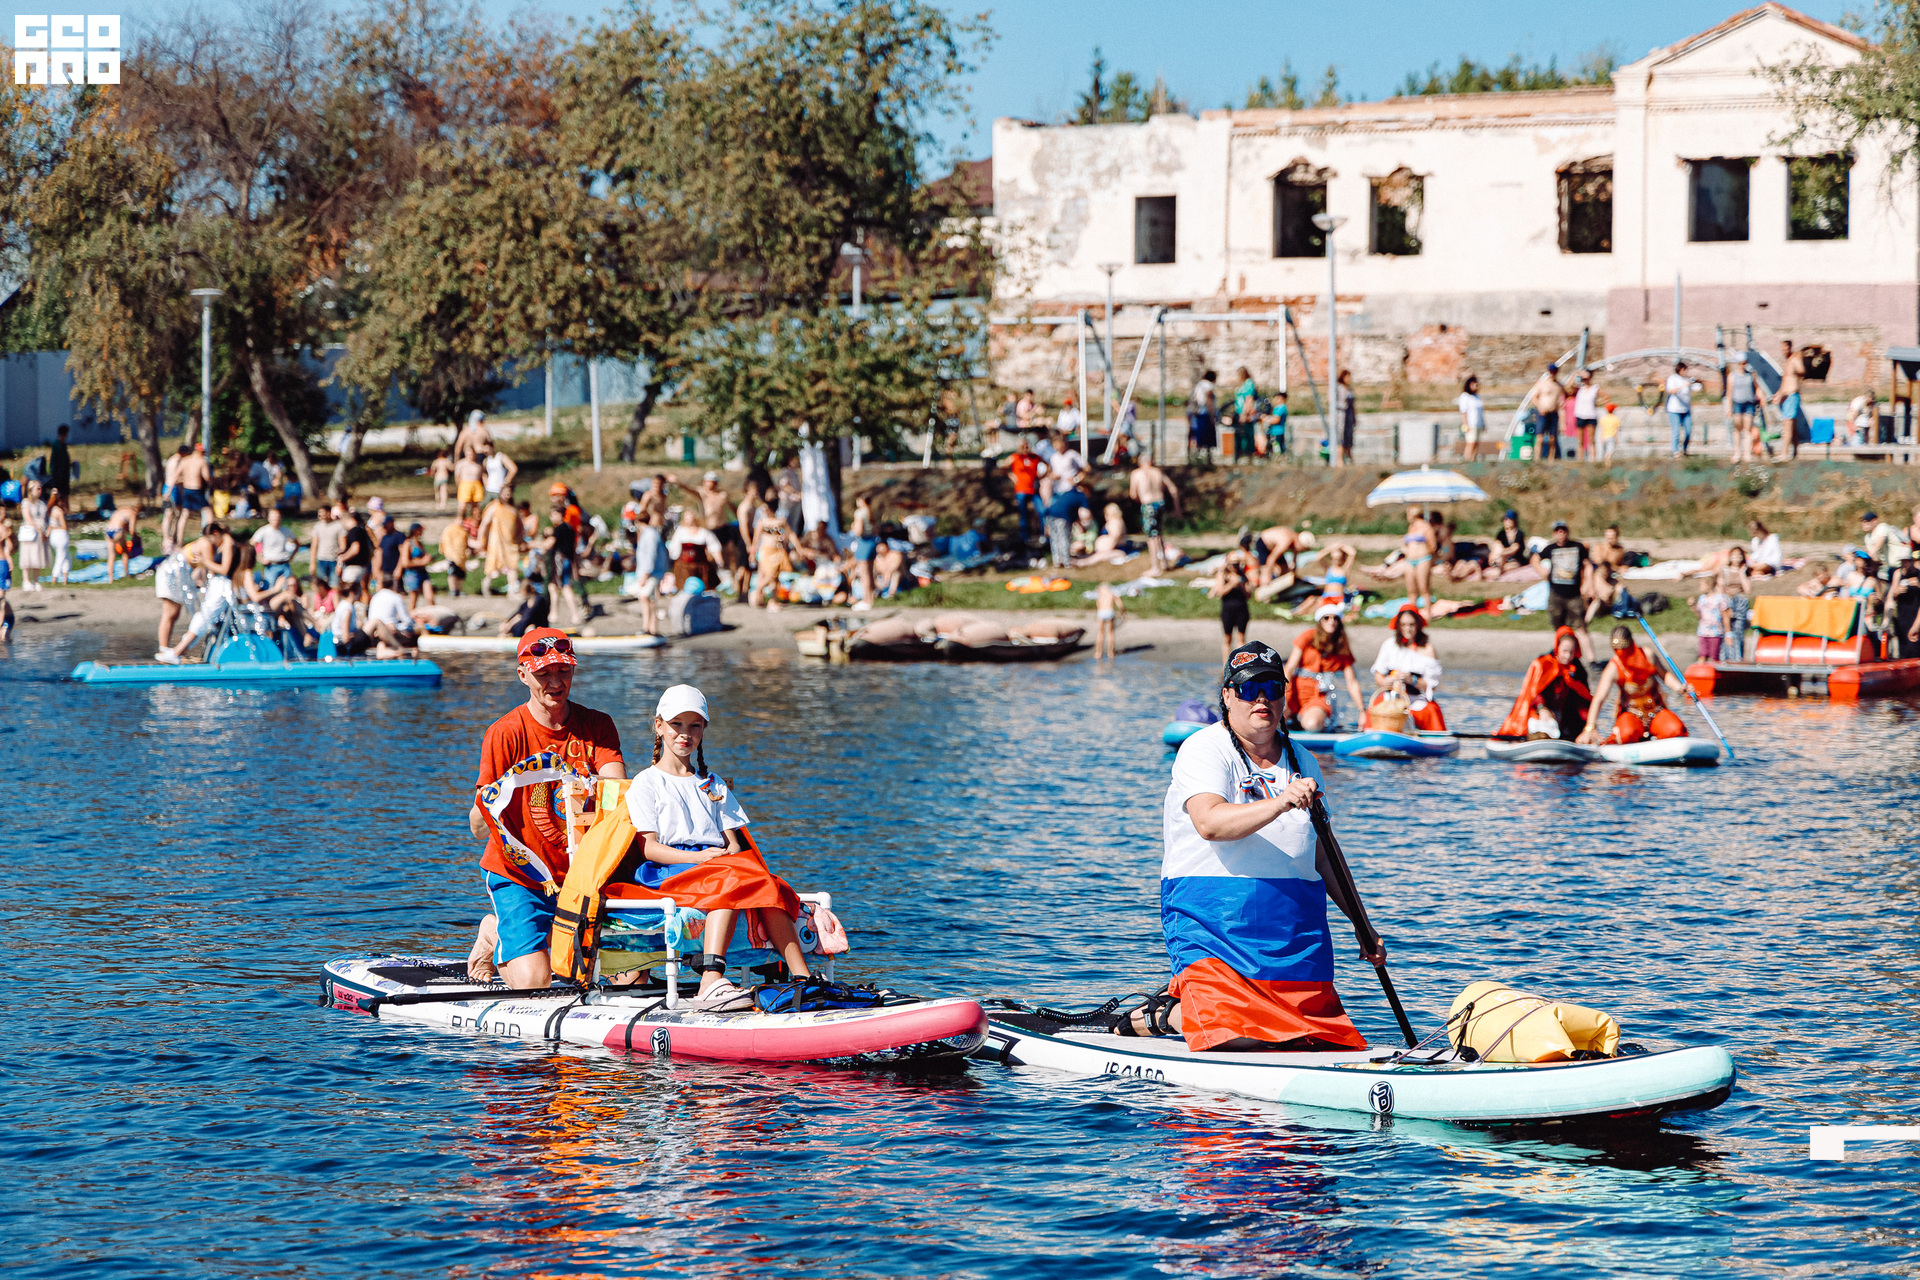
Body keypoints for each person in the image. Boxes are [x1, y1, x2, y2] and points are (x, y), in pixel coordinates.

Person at [1122, 641, 1380, 1049]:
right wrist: (1279, 803)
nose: (1261, 698)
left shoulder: (1302, 760)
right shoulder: (1204, 749)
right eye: (1247, 688)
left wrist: (1362, 925)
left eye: (1273, 688)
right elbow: (1209, 822)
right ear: (1227, 696)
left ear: (1284, 696)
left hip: (1295, 930)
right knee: (1236, 1036)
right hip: (1214, 920)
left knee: (1316, 1040)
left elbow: (1324, 854)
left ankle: (1196, 1011)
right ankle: (1167, 1014)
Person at [466, 629, 627, 988]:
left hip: (582, 874)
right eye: (543, 674)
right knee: (535, 984)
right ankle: (493, 934)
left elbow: (617, 792)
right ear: (523, 675)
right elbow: (478, 827)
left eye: (564, 672)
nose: (556, 683)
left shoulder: (597, 725)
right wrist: (502, 790)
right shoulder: (505, 732)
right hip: (520, 874)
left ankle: (547, 941)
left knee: (624, 975)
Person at [1578, 626, 1689, 745]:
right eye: (1616, 649)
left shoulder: (1648, 655)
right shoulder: (1614, 667)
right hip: (1631, 715)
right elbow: (1599, 699)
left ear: (1631, 643)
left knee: (1675, 730)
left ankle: (1657, 737)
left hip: (1656, 712)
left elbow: (1664, 675)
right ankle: (1625, 737)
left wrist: (1680, 688)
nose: (1621, 653)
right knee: (1627, 734)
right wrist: (1590, 727)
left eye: (1624, 648)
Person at [155, 522, 238, 663]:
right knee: (197, 617)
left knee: (202, 618)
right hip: (183, 576)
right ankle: (174, 651)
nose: (210, 543)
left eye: (211, 539)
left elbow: (223, 569)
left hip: (222, 586)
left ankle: (176, 651)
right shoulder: (215, 543)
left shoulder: (228, 543)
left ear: (216, 533)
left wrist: (205, 562)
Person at [1496, 627, 1592, 740]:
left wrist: (1588, 726)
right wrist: (1542, 708)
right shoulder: (1544, 665)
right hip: (1541, 712)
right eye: (1565, 651)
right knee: (1543, 724)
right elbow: (1535, 693)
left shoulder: (1578, 670)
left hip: (1565, 716)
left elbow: (1583, 700)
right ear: (1557, 648)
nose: (1567, 656)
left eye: (1571, 652)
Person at [1283, 605, 1365, 731]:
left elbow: (1352, 682)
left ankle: (1311, 720)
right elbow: (1289, 669)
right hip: (1294, 692)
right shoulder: (1307, 638)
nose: (1331, 621)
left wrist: (1362, 710)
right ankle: (1292, 718)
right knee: (1276, 719)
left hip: (1318, 696)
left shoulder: (1341, 646)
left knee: (1312, 724)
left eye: (1335, 618)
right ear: (1320, 621)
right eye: (1326, 618)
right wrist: (1283, 698)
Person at [1368, 605, 1445, 731]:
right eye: (1403, 625)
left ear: (1418, 625)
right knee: (1376, 706)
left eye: (1411, 625)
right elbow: (1378, 677)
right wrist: (1388, 681)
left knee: (1431, 710)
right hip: (1391, 697)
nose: (1407, 629)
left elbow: (1431, 685)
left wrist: (1411, 679)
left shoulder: (1427, 649)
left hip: (1416, 699)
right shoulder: (1390, 645)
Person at [1531, 521, 1593, 659]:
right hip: (1556, 593)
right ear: (1554, 533)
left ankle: (1591, 658)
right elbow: (1535, 558)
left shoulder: (1577, 547)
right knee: (1559, 628)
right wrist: (1543, 572)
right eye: (1558, 531)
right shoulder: (1550, 548)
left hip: (1574, 594)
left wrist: (1589, 584)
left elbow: (1587, 565)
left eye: (1563, 530)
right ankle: (1559, 653)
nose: (1561, 533)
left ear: (1567, 532)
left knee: (1581, 627)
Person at [1128, 450, 1181, 574]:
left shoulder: (1136, 473)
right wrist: (1177, 508)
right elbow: (1173, 489)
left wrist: (1140, 500)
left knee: (1151, 537)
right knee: (1159, 533)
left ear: (1140, 462)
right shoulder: (1158, 472)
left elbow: (1133, 493)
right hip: (1160, 504)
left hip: (1148, 505)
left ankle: (1155, 567)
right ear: (1151, 461)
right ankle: (1164, 563)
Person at [478, 489, 523, 597]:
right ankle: (486, 586)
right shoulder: (494, 507)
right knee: (493, 566)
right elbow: (485, 524)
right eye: (505, 493)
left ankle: (512, 591)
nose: (507, 495)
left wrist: (521, 539)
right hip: (496, 542)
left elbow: (520, 527)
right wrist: (481, 539)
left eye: (509, 493)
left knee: (513, 565)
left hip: (510, 543)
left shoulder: (513, 509)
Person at [1210, 548, 1251, 661]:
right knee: (1227, 638)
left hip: (1241, 608)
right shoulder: (1223, 575)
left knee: (1241, 639)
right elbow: (1219, 592)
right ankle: (1226, 665)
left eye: (1237, 564)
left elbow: (1249, 594)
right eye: (1233, 564)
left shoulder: (1243, 576)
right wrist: (1232, 584)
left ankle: (1241, 663)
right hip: (1228, 609)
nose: (1235, 567)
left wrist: (1240, 584)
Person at [1043, 476, 1090, 571]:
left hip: (1050, 514)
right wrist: (1085, 524)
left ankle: (1056, 561)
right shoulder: (1081, 496)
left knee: (1055, 539)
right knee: (1064, 538)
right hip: (1062, 517)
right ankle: (1066, 562)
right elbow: (1085, 513)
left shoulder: (1068, 493)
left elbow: (1072, 513)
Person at [1006, 436, 1045, 543]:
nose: (1026, 448)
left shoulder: (1034, 457)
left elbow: (1046, 464)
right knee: (1024, 515)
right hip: (1021, 490)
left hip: (1033, 490)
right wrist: (1012, 476)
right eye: (1023, 446)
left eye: (1027, 445)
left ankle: (1044, 536)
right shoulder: (1015, 457)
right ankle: (1025, 538)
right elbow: (1003, 467)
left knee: (1042, 511)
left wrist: (1042, 475)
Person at [1522, 363, 1565, 459]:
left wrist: (1563, 420)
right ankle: (1537, 458)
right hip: (1542, 414)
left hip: (1553, 413)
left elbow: (1562, 401)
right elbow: (1534, 398)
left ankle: (1551, 459)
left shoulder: (1559, 386)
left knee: (1552, 439)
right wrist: (1540, 407)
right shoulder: (1542, 383)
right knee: (1540, 438)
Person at [366, 580, 420, 656]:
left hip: (374, 634)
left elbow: (370, 618)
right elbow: (407, 621)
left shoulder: (374, 597)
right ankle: (406, 653)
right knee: (414, 631)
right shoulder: (396, 597)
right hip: (389, 632)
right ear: (393, 585)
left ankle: (384, 649)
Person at [250, 507, 298, 587]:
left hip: (285, 564)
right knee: (269, 588)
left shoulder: (285, 530)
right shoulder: (263, 531)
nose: (276, 521)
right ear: (269, 519)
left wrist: (292, 556)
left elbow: (297, 544)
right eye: (274, 519)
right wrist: (259, 558)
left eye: (278, 518)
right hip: (271, 565)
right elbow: (251, 544)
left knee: (289, 589)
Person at [1774, 339, 1807, 456]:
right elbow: (1785, 381)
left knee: (1787, 424)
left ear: (1790, 347)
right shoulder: (1787, 362)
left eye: (1785, 348)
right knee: (1792, 426)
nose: (1784, 351)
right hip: (1786, 396)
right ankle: (1795, 452)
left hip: (1792, 395)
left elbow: (1802, 371)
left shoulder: (1794, 360)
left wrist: (1799, 360)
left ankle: (1784, 453)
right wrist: (1779, 394)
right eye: (1782, 349)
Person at [16, 479, 48, 592]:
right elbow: (27, 518)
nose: (40, 491)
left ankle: (36, 580)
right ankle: (26, 580)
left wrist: (44, 530)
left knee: (37, 558)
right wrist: (37, 528)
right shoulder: (26, 502)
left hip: (40, 533)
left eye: (40, 489)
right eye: (37, 488)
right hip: (30, 533)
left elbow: (44, 518)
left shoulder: (42, 504)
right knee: (27, 557)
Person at [1401, 506, 1435, 613]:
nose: (1408, 516)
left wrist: (1422, 552)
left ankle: (1428, 613)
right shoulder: (1411, 527)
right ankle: (1413, 612)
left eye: (1409, 513)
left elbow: (1432, 545)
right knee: (1411, 590)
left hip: (1423, 559)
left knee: (1424, 589)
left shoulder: (1426, 527)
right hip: (1409, 560)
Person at [175, 442, 212, 538]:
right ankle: (209, 534)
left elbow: (176, 474)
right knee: (208, 511)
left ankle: (179, 540)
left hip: (187, 489)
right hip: (196, 489)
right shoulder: (201, 461)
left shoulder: (185, 460)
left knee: (185, 514)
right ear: (201, 452)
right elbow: (207, 477)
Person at [1664, 361, 1700, 457]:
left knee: (1688, 431)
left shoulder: (1686, 380)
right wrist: (1683, 386)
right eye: (1683, 370)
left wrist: (1696, 384)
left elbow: (1694, 388)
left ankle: (1684, 449)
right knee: (1676, 431)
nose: (1685, 372)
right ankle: (1675, 451)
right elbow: (1671, 391)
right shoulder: (1672, 379)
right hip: (1674, 410)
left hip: (1685, 409)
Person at [1727, 356, 1758, 463]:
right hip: (1737, 403)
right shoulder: (1732, 376)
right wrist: (1729, 407)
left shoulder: (1750, 375)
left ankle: (1747, 454)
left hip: (1749, 403)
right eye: (1741, 363)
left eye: (1745, 363)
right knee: (1737, 428)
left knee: (1748, 429)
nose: (1743, 365)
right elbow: (1729, 393)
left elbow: (1756, 388)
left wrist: (1761, 399)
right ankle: (1737, 453)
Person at [1692, 579, 1730, 663]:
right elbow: (1700, 616)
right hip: (1703, 631)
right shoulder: (1702, 599)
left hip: (1715, 632)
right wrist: (1693, 606)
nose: (1700, 587)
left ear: (1708, 585)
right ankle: (1700, 674)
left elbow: (1725, 616)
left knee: (1714, 656)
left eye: (1702, 585)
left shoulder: (1719, 598)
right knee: (1702, 655)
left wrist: (1728, 633)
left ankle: (1714, 673)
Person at [399, 523, 434, 608]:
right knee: (413, 599)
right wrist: (421, 562)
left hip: (423, 572)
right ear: (415, 531)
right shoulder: (408, 543)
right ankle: (411, 617)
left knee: (430, 597)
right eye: (420, 530)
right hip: (412, 574)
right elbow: (405, 562)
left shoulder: (420, 543)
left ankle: (434, 614)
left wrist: (428, 559)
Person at [337, 509, 374, 587]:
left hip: (353, 568)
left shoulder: (354, 531)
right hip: (362, 566)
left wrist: (342, 558)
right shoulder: (361, 530)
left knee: (349, 590)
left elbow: (355, 548)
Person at [308, 504, 343, 587]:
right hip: (321, 559)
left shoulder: (338, 526)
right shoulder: (318, 526)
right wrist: (312, 562)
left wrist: (340, 564)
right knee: (322, 586)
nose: (320, 515)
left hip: (334, 560)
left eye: (322, 513)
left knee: (335, 585)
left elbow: (342, 547)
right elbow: (314, 545)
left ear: (328, 513)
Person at [103, 501, 138, 582]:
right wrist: (135, 536)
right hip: (117, 531)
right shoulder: (132, 513)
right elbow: (132, 530)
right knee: (125, 551)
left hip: (108, 531)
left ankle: (110, 578)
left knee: (111, 555)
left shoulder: (118, 511)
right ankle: (127, 574)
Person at [439, 516, 472, 598]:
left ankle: (458, 590)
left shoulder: (463, 531)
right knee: (452, 573)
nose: (461, 522)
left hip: (460, 556)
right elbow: (444, 541)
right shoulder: (449, 530)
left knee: (460, 574)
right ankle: (453, 590)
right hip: (451, 555)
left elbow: (465, 542)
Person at [1189, 370, 1218, 464]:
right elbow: (1209, 400)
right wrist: (1212, 414)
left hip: (1198, 412)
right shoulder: (1208, 385)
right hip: (1205, 412)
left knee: (1199, 435)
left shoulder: (1199, 385)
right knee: (1207, 436)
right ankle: (1208, 459)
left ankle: (1197, 457)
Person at [1571, 369, 1599, 460]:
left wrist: (1597, 403)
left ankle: (1593, 459)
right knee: (1580, 440)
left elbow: (1606, 397)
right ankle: (1580, 459)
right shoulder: (1579, 388)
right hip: (1580, 415)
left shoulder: (1594, 388)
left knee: (1591, 440)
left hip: (1591, 415)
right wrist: (1575, 374)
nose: (1584, 380)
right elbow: (1569, 386)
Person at [1457, 374, 1486, 462]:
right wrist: (1466, 424)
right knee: (1470, 443)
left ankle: (1473, 459)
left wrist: (1484, 424)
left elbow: (1481, 412)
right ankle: (1467, 459)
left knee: (1476, 444)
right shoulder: (1465, 396)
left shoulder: (1477, 397)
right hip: (1470, 424)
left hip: (1478, 424)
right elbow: (1464, 412)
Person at [45, 490, 69, 585]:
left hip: (53, 536)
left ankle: (65, 579)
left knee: (66, 556)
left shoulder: (50, 510)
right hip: (60, 535)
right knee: (61, 557)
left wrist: (47, 534)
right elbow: (64, 526)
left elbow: (50, 525)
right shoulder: (59, 511)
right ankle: (54, 577)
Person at [1094, 580, 1121, 660]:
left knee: (1100, 633)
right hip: (1109, 611)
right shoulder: (1112, 593)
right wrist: (1123, 613)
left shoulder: (1100, 593)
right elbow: (1120, 604)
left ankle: (1098, 653)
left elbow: (1098, 604)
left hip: (1101, 612)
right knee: (1110, 633)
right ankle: (1110, 652)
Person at [1334, 370, 1355, 467]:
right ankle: (1340, 459)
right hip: (1341, 415)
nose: (1349, 379)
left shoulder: (1350, 389)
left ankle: (1349, 458)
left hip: (1349, 415)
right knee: (1341, 437)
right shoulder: (1338, 388)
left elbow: (1353, 404)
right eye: (1347, 377)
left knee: (1349, 437)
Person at [47, 424, 72, 498]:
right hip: (59, 477)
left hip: (64, 475)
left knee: (64, 496)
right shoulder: (58, 446)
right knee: (60, 496)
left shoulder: (62, 445)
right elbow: (57, 463)